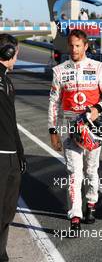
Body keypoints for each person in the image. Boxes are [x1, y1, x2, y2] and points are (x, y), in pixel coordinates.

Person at [48, 29, 102, 236]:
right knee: (73, 173)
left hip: (92, 130)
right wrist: (53, 130)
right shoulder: (59, 70)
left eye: (78, 45)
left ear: (86, 46)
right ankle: (75, 216)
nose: (74, 49)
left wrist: (97, 109)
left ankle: (92, 203)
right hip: (71, 130)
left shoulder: (97, 67)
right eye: (71, 45)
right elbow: (53, 103)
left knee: (91, 171)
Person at [0, 34, 26, 261]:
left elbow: (11, 118)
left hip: (10, 154)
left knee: (7, 212)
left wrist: (19, 150)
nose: (17, 57)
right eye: (16, 52)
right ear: (7, 53)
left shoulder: (7, 81)